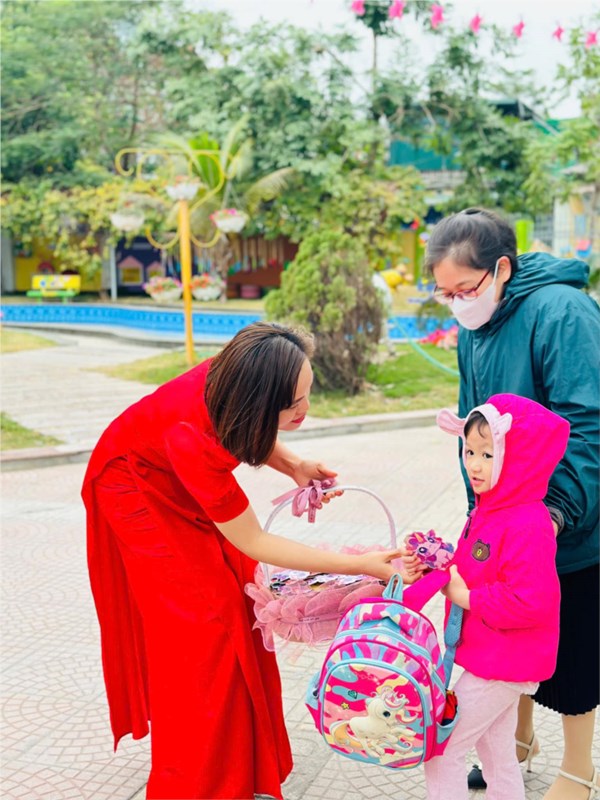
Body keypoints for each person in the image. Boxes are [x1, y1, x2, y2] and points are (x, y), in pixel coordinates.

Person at [82, 321, 405, 800]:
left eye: (307, 394)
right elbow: (254, 539)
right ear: (261, 400)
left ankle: (240, 763)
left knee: (240, 598)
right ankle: (195, 780)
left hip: (172, 465)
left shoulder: (240, 371)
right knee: (205, 626)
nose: (305, 409)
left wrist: (293, 464)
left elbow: (243, 424)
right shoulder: (191, 437)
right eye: (293, 404)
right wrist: (359, 565)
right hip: (132, 487)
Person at [424, 207, 600, 799]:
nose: (457, 303)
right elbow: (473, 423)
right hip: (501, 517)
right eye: (445, 293)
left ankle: (579, 768)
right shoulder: (476, 324)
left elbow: (588, 422)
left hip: (565, 518)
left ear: (501, 268)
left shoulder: (562, 312)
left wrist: (556, 513)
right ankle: (517, 744)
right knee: (500, 633)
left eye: (464, 289)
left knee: (571, 641)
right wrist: (481, 510)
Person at [424, 393, 570, 800]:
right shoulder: (491, 509)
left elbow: (530, 600)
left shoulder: (526, 523)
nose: (473, 464)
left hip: (504, 661)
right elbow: (477, 566)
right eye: (470, 451)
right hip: (493, 655)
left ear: (518, 458)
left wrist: (465, 596)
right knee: (497, 751)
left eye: (488, 454)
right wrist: (438, 560)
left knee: (441, 749)